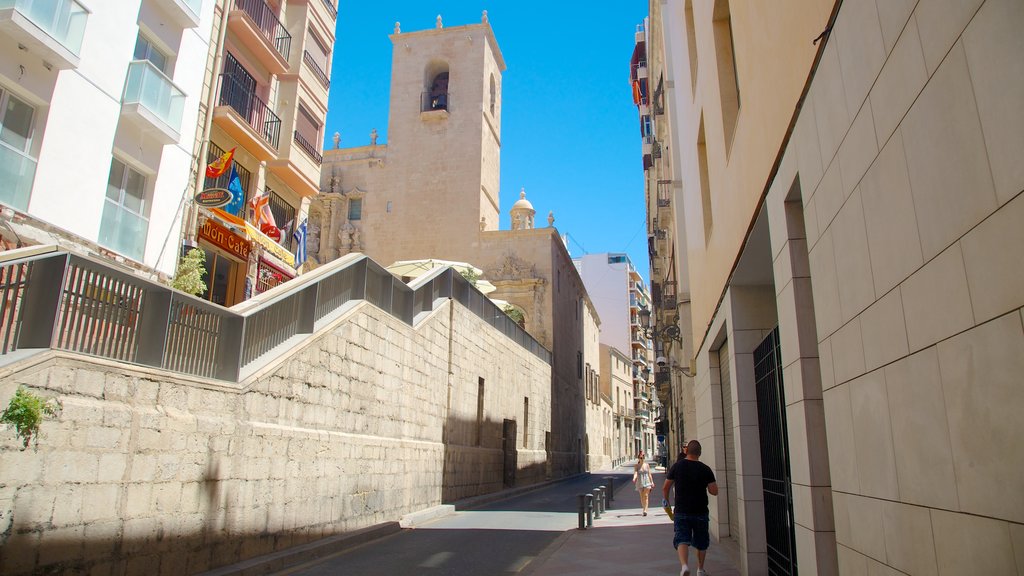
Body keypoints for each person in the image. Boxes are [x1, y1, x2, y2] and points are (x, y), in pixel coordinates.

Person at [663, 439, 718, 576]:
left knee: (681, 538)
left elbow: (666, 486)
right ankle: (700, 569)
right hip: (700, 511)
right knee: (701, 542)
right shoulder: (705, 469)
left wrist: (667, 501)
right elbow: (714, 491)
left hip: (681, 510)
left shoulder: (677, 466)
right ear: (700, 453)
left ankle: (684, 566)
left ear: (686, 451)